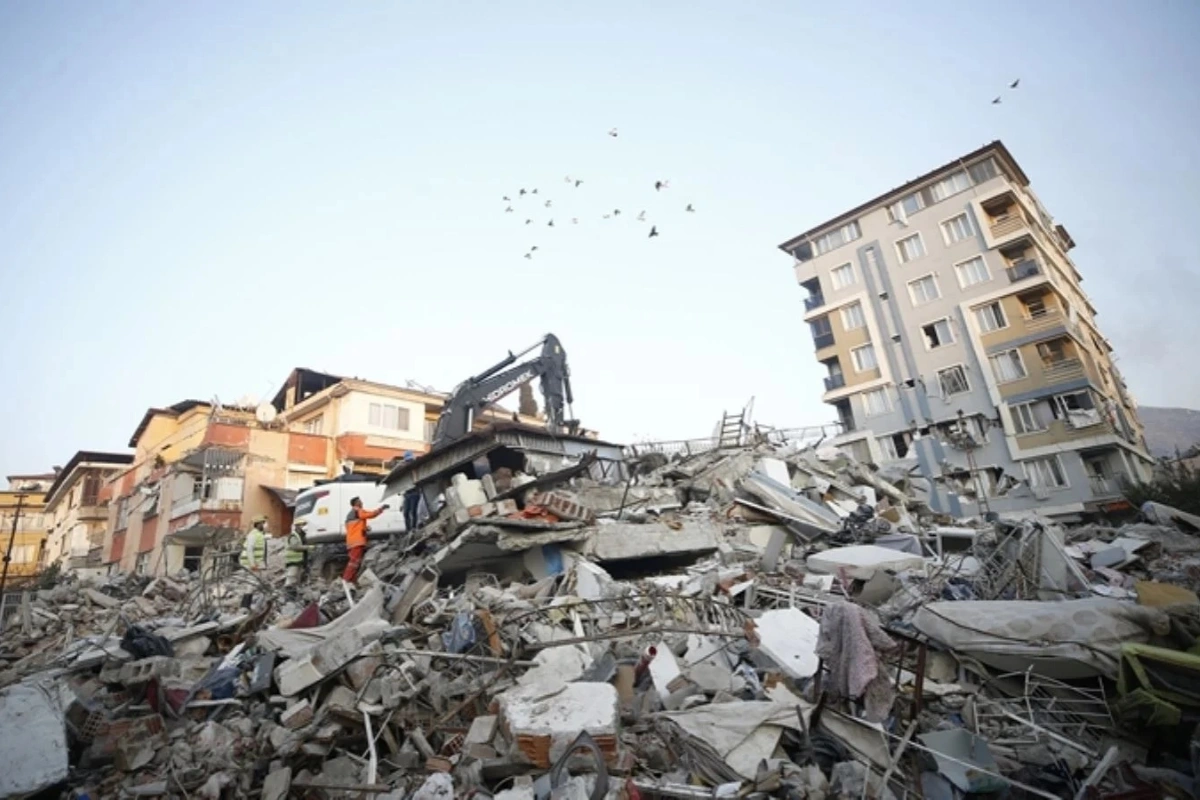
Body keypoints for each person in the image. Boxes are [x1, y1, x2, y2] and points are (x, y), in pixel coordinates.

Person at [343, 496, 388, 585]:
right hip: (357, 541)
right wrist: (381, 509)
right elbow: (370, 514)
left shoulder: (350, 514)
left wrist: (364, 528)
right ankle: (346, 580)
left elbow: (353, 527)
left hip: (351, 541)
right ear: (356, 503)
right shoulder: (358, 510)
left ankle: (352, 581)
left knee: (355, 562)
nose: (362, 503)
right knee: (354, 562)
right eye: (360, 501)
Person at [284, 519, 313, 589]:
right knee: (291, 579)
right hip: (293, 561)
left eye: (304, 525)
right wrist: (308, 547)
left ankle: (293, 597)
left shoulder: (302, 536)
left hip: (300, 561)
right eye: (302, 525)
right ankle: (288, 596)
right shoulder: (293, 536)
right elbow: (295, 547)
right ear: (297, 526)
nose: (304, 526)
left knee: (297, 581)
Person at [402, 452, 421, 532]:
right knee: (406, 512)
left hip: (414, 492)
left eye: (409, 461)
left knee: (413, 511)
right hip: (407, 493)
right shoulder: (404, 470)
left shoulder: (415, 468)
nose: (408, 462)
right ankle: (408, 529)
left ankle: (413, 528)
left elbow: (416, 479)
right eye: (407, 461)